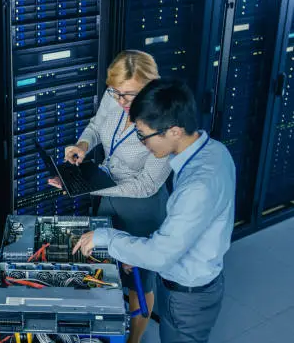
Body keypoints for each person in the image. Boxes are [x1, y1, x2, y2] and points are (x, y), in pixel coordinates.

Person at [72, 78, 236, 343]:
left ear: (173, 131)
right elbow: (185, 230)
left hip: (187, 298)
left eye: (144, 135)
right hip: (195, 282)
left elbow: (160, 256)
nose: (142, 143)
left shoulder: (197, 186)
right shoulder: (215, 151)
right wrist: (138, 253)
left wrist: (106, 238)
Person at [48, 50, 171, 343]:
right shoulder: (114, 95)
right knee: (106, 266)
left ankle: (133, 341)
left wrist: (87, 186)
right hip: (107, 196)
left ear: (151, 87)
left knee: (138, 281)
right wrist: (82, 145)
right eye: (116, 93)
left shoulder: (165, 123)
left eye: (128, 95)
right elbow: (96, 124)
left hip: (142, 208)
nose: (120, 101)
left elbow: (146, 185)